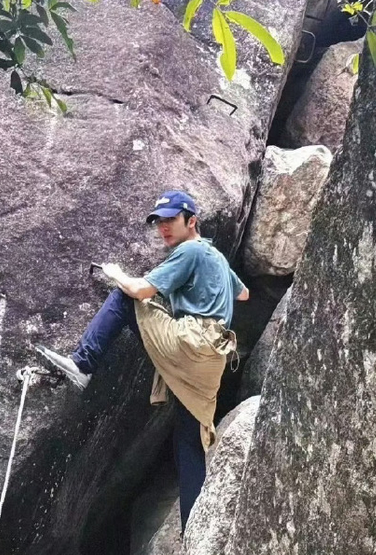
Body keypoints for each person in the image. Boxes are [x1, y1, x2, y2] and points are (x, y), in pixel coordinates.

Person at [36, 190, 249, 532]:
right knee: (188, 439)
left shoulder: (190, 249)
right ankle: (192, 530)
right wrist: (205, 290)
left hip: (191, 343)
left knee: (124, 298)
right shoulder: (216, 257)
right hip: (213, 359)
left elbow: (140, 291)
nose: (164, 228)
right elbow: (244, 294)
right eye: (159, 222)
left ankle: (83, 363)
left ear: (191, 221)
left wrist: (114, 271)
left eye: (171, 221)